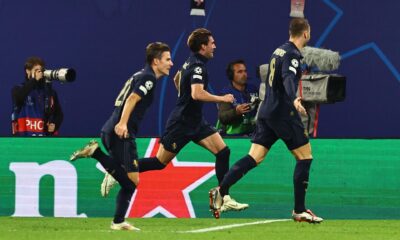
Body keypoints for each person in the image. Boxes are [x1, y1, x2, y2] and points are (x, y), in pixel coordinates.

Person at [101, 28, 249, 215]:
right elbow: (196, 94)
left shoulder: (192, 62)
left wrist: (183, 94)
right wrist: (222, 99)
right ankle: (119, 168)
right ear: (203, 47)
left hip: (196, 122)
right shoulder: (197, 66)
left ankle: (222, 197)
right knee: (159, 162)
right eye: (212, 43)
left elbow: (178, 78)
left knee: (223, 151)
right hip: (181, 123)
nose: (215, 46)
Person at [209, 18, 323, 223]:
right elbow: (289, 79)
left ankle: (221, 190)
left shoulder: (277, 51)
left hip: (266, 112)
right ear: (306, 33)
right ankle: (299, 209)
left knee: (255, 157)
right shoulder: (292, 55)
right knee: (305, 157)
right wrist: (295, 98)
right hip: (283, 114)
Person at [69, 42, 173, 231]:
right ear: (156, 61)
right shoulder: (148, 77)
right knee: (132, 182)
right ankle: (97, 154)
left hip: (112, 130)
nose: (171, 63)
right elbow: (132, 98)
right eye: (167, 59)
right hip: (120, 133)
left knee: (129, 180)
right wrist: (123, 123)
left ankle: (118, 220)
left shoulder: (140, 74)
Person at [11, 57, 63, 136]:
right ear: (28, 71)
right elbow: (19, 98)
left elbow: (59, 114)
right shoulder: (18, 89)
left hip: (45, 138)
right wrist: (34, 80)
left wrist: (54, 124)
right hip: (23, 138)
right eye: (36, 70)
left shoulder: (49, 92)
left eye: (41, 71)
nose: (39, 73)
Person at [216, 59, 259, 136]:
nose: (244, 74)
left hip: (252, 135)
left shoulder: (253, 89)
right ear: (231, 75)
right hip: (233, 136)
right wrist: (236, 112)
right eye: (240, 72)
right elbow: (223, 118)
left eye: (245, 71)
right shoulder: (226, 93)